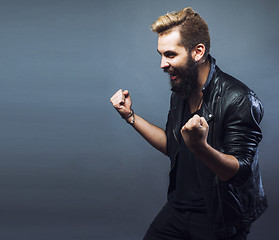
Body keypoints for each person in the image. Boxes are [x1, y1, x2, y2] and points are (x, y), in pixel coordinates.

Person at [110, 7, 267, 240]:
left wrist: (200, 147)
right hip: (178, 208)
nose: (163, 64)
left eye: (171, 55)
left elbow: (238, 173)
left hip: (219, 217)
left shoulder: (239, 98)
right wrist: (129, 116)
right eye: (160, 55)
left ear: (198, 52)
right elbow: (173, 145)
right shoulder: (181, 91)